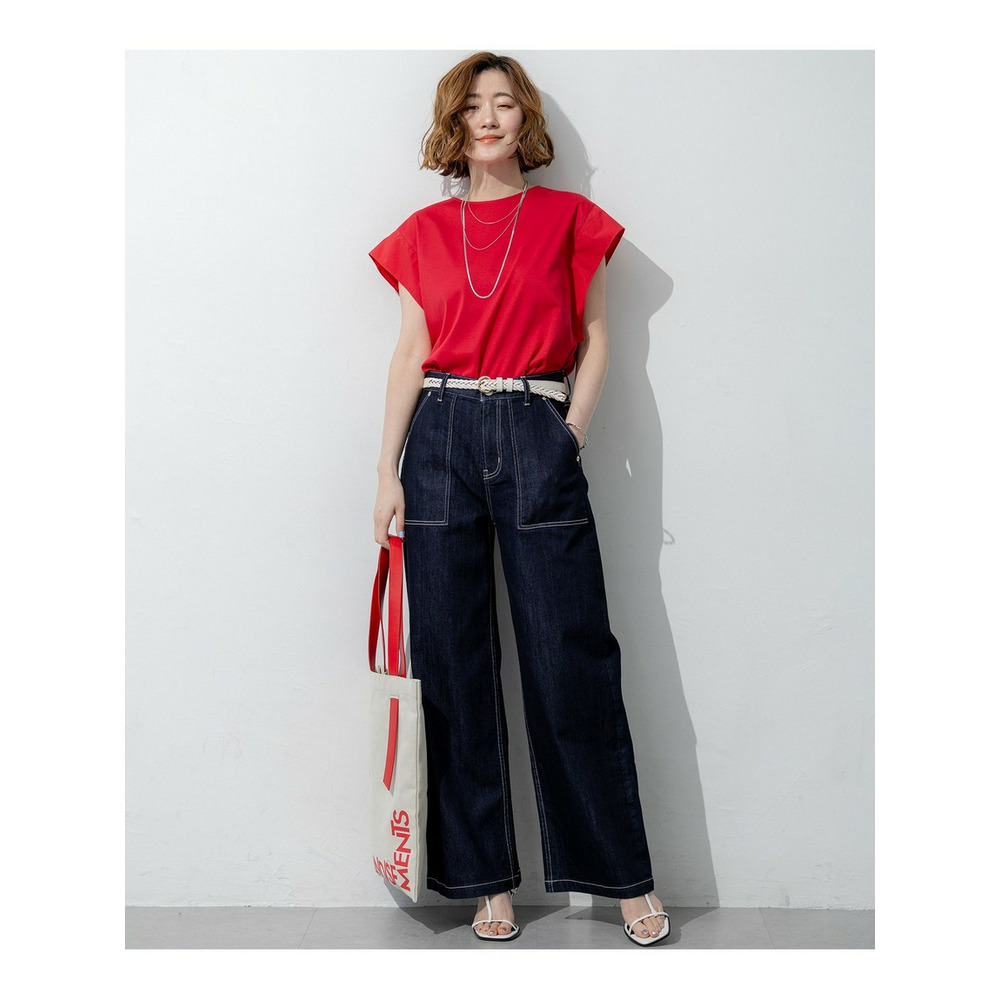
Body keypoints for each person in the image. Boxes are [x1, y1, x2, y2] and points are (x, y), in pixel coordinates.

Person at [370, 51, 670, 946]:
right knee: (453, 663)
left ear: (525, 119)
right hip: (439, 440)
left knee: (568, 655)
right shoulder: (423, 232)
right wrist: (385, 471)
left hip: (537, 426)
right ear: (454, 124)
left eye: (505, 103)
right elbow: (409, 354)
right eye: (473, 106)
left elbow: (597, 337)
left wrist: (567, 433)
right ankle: (483, 881)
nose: (490, 118)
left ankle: (622, 878)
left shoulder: (572, 220)